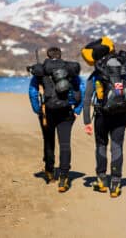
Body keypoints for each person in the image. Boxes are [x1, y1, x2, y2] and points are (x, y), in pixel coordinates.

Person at [81, 37, 126, 198]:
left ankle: (101, 180)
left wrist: (87, 121)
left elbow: (87, 99)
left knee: (101, 145)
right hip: (120, 115)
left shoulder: (97, 73)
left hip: (101, 116)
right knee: (117, 147)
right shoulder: (124, 71)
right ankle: (115, 183)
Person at [28, 46, 84, 193]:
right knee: (65, 144)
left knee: (49, 141)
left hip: (47, 112)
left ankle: (49, 171)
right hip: (66, 111)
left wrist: (37, 109)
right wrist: (77, 109)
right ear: (60, 55)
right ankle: (64, 178)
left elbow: (33, 91)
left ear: (47, 55)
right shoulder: (69, 69)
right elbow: (81, 88)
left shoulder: (41, 71)